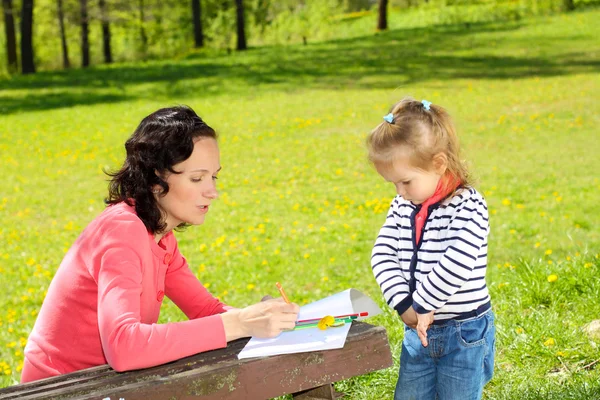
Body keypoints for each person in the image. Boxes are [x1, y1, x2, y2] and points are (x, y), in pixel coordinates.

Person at [21, 106, 299, 383]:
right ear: (156, 180)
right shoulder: (122, 232)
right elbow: (124, 347)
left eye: (213, 177)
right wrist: (239, 323)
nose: (212, 192)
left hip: (103, 385)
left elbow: (205, 310)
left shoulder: (161, 235)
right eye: (196, 178)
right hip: (59, 388)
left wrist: (258, 317)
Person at [366, 98, 495, 400]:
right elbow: (382, 252)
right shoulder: (402, 205)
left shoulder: (468, 206)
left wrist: (423, 303)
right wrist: (404, 304)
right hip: (418, 333)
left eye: (406, 181)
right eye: (393, 184)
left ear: (438, 163)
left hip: (464, 333)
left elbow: (457, 263)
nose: (399, 192)